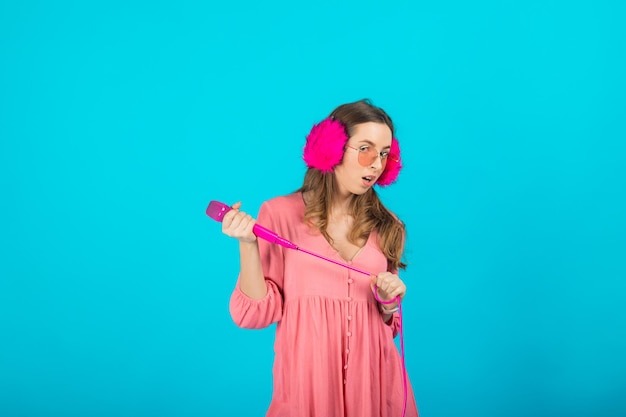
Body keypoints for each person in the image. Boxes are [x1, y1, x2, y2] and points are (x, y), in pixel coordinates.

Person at [221, 99, 418, 417]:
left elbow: (388, 325)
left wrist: (387, 301)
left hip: (376, 388)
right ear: (332, 148)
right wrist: (247, 244)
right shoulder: (279, 214)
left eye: (384, 154)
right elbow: (255, 314)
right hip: (308, 390)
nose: (376, 164)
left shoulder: (389, 226)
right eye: (365, 149)